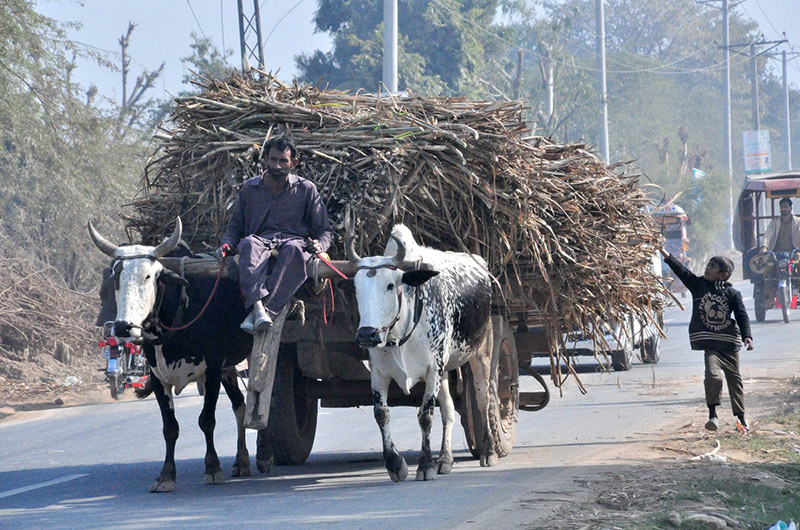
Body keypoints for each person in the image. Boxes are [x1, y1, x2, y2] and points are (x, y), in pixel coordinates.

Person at [218, 137, 333, 334]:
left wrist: (319, 245)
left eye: (283, 161)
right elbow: (235, 227)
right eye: (272, 160)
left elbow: (324, 231)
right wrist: (226, 245)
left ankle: (264, 311)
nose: (277, 165)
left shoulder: (306, 189)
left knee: (295, 250)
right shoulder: (250, 188)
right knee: (248, 244)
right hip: (260, 241)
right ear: (265, 159)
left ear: (293, 163)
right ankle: (257, 307)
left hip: (293, 241)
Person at [660, 248, 755, 433]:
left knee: (735, 381)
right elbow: (681, 270)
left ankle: (741, 420)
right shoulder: (698, 285)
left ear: (723, 274)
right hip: (711, 345)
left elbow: (742, 316)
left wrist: (747, 337)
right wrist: (664, 252)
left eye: (712, 266)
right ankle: (713, 415)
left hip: (729, 344)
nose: (707, 268)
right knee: (712, 376)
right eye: (708, 264)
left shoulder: (733, 294)